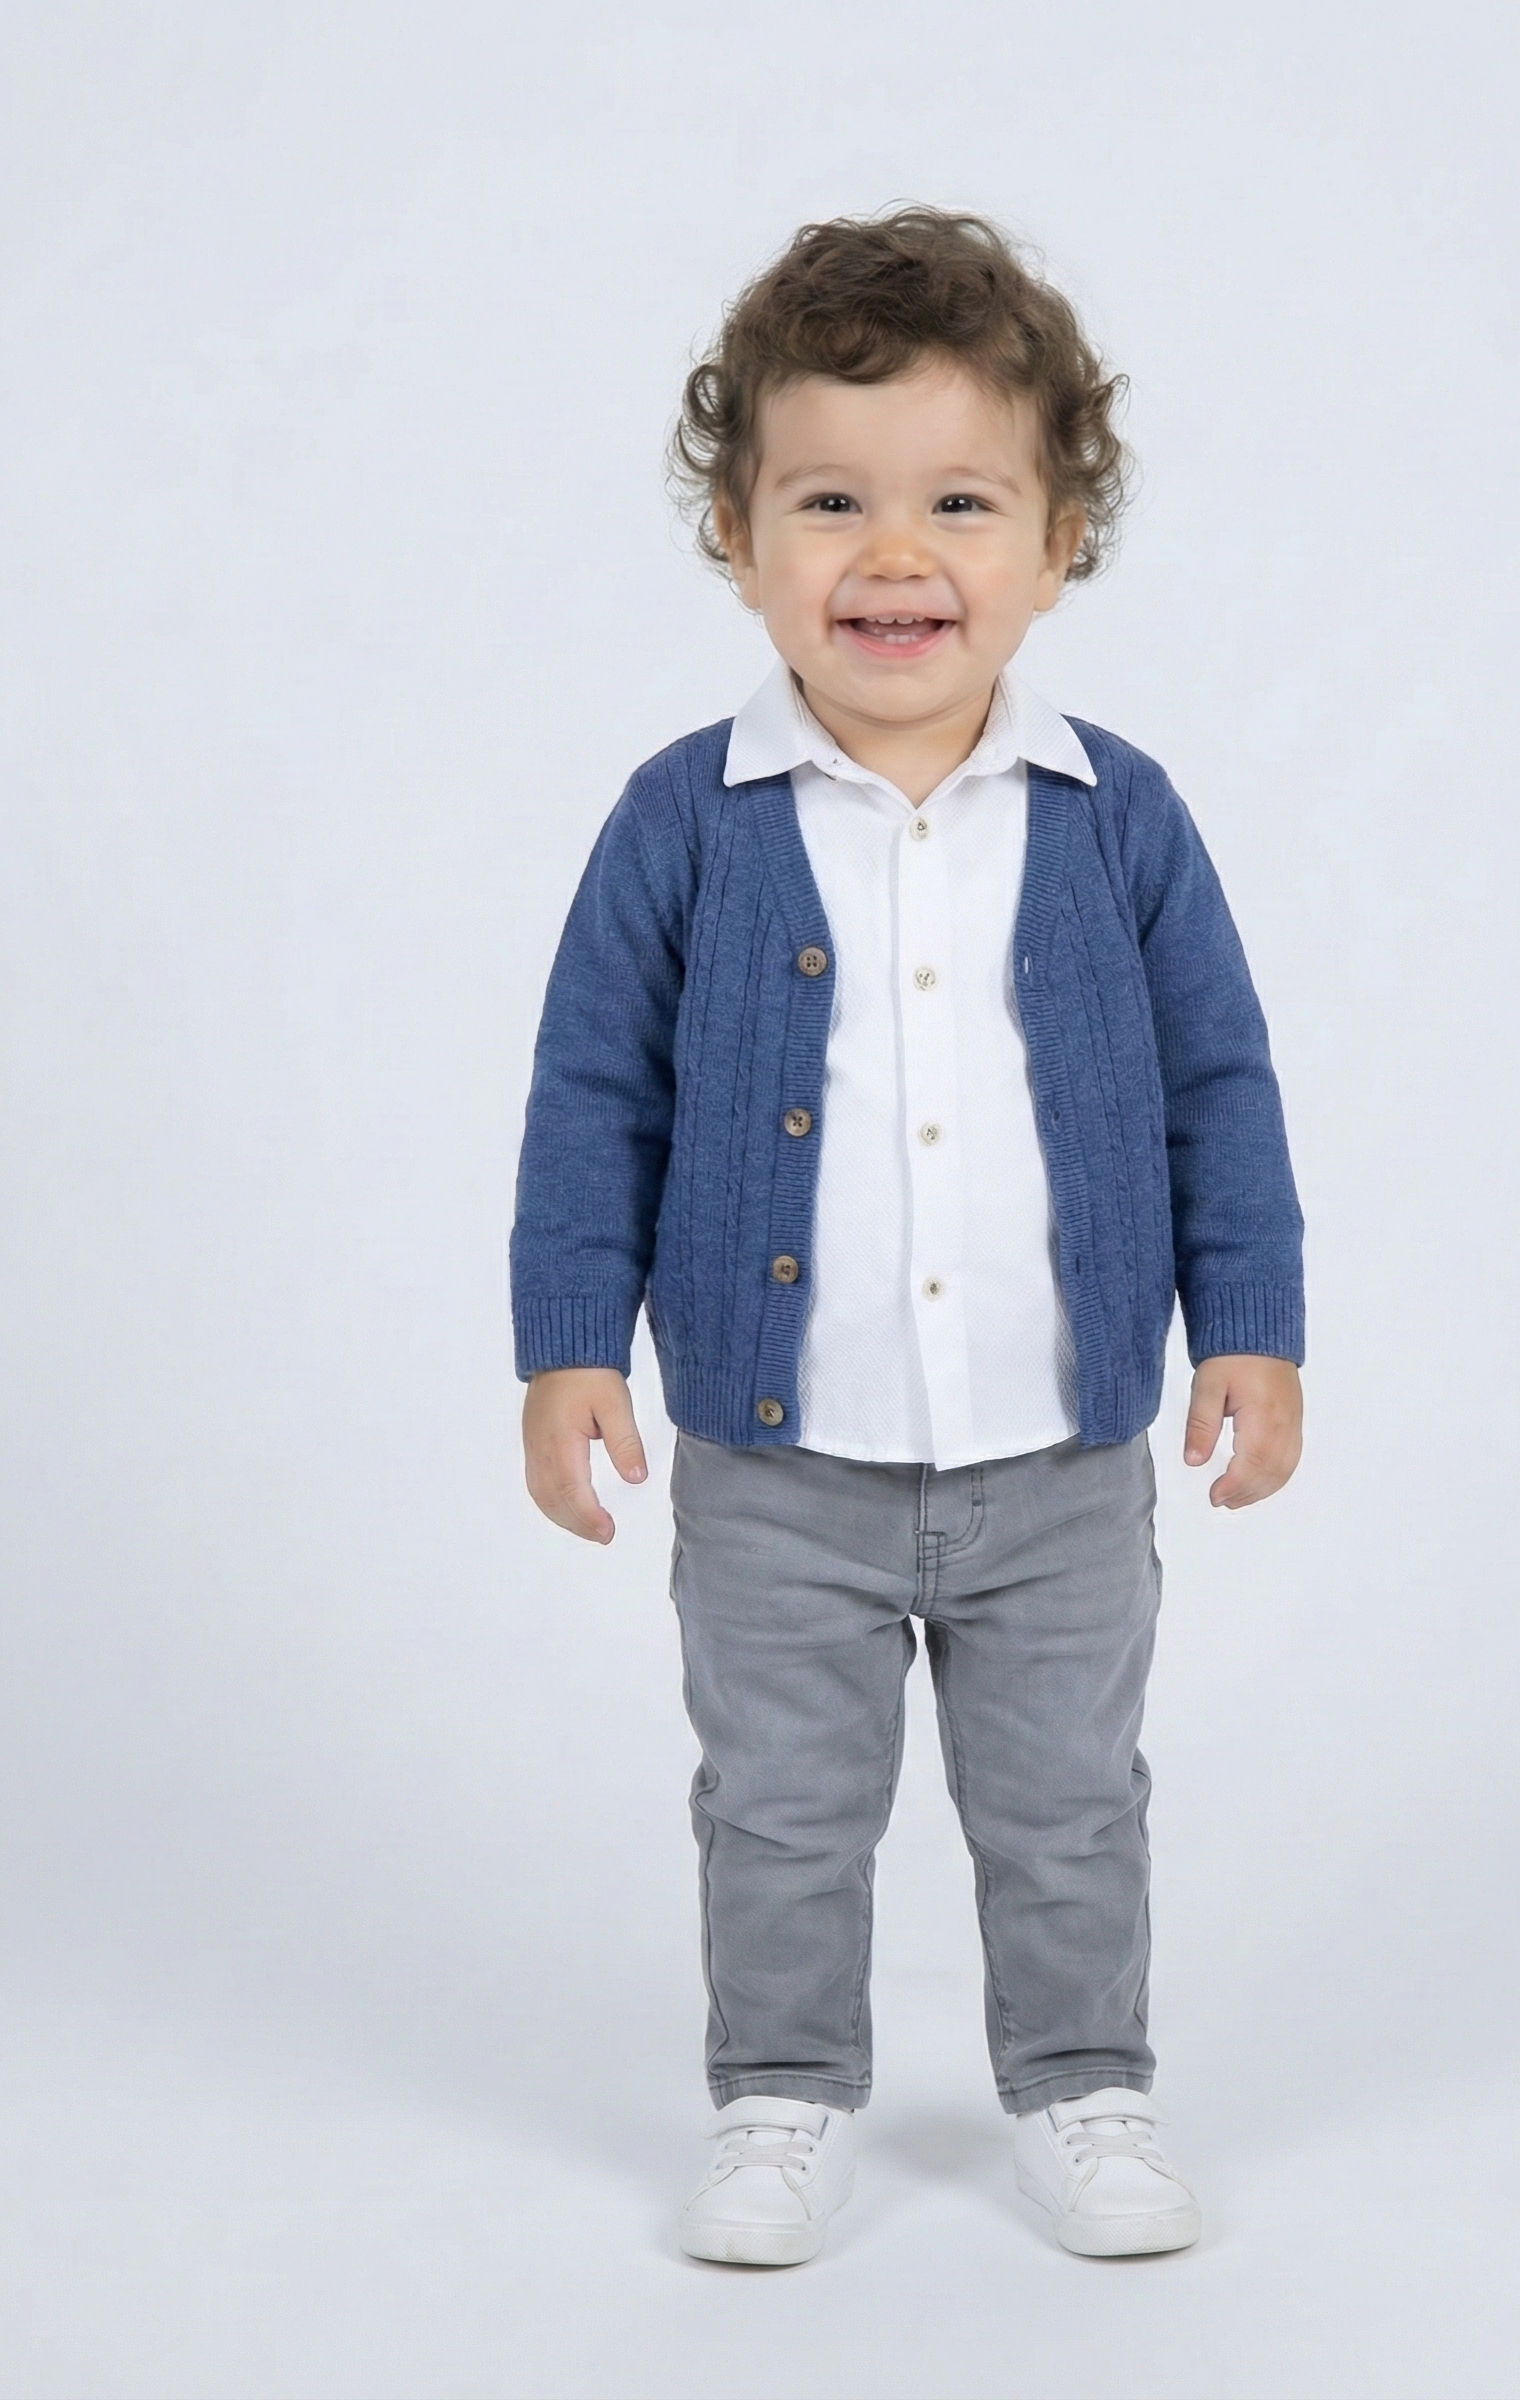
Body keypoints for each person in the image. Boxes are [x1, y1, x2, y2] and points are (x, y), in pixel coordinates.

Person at [509, 206, 1305, 2266]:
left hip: (1058, 1451)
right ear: (738, 537)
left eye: (961, 501)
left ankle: (1085, 2085)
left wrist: (1251, 1322)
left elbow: (1217, 1083)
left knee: (1069, 1802)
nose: (895, 554)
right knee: (778, 1807)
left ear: (1056, 543)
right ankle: (777, 2097)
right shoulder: (683, 821)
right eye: (828, 500)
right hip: (778, 1465)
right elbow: (594, 1091)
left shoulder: (1116, 816)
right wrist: (568, 1340)